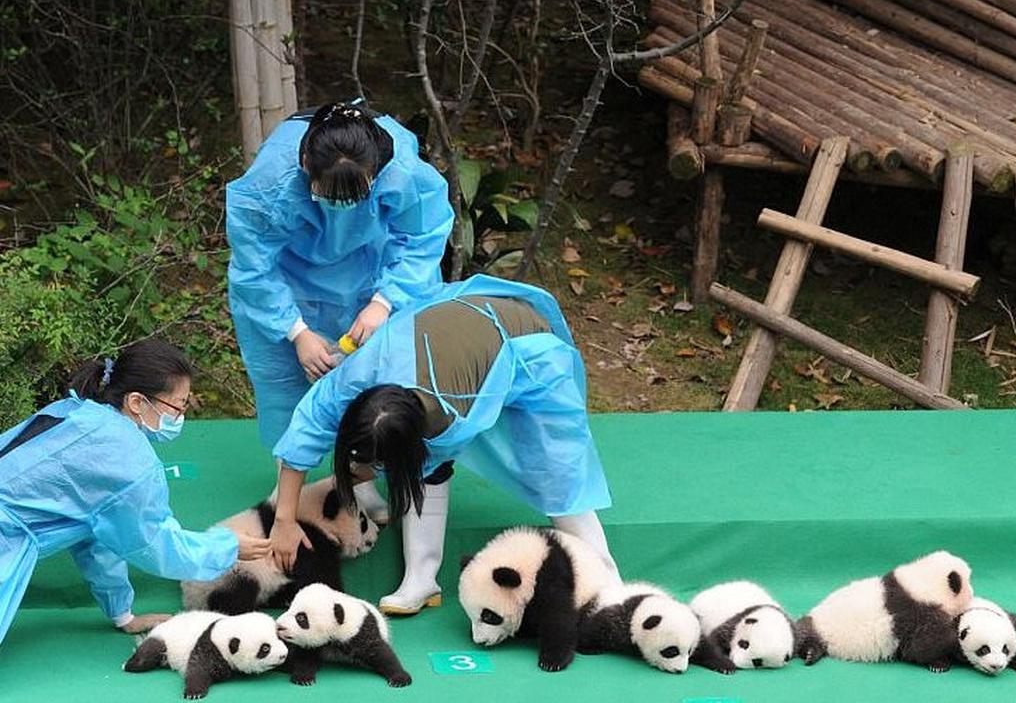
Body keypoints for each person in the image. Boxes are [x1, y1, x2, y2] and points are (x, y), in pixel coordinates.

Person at [268, 275, 618, 615]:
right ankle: (421, 580)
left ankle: (608, 582)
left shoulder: (448, 414)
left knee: (556, 473)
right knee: (419, 468)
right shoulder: (353, 379)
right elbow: (303, 434)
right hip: (454, 329)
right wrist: (284, 519)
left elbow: (425, 466)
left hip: (527, 342)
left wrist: (356, 475)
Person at [226, 99, 453, 522]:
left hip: (369, 272)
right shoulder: (269, 184)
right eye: (329, 195)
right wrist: (296, 331)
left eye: (355, 195)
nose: (339, 209)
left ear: (376, 173)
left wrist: (383, 303)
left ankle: (360, 477)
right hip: (286, 285)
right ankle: (288, 486)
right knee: (286, 387)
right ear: (307, 163)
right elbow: (254, 269)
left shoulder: (401, 167)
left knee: (371, 376)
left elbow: (425, 236)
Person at [0, 339, 272, 646]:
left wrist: (122, 614)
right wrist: (227, 546)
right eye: (178, 405)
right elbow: (156, 544)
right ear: (137, 402)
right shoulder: (127, 460)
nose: (182, 415)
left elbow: (96, 536)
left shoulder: (79, 412)